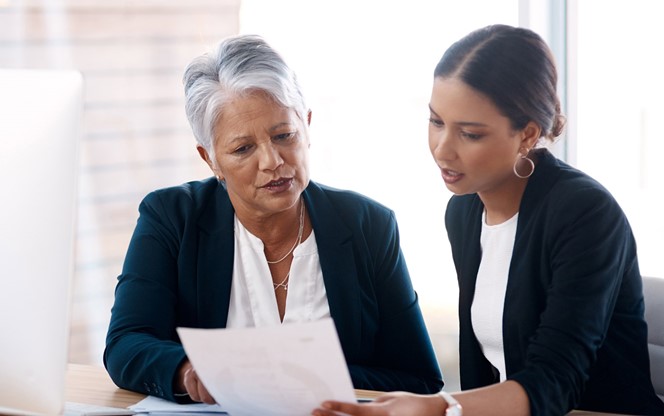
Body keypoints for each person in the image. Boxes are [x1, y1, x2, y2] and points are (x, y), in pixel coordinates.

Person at [313, 24, 664, 416]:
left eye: (470, 134)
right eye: (436, 122)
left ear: (527, 134)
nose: (443, 150)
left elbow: (555, 382)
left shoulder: (585, 214)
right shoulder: (464, 210)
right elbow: (483, 371)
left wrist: (437, 407)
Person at [103, 34, 443, 404]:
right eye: (243, 148)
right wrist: (187, 371)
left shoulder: (369, 225)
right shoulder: (171, 217)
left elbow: (418, 378)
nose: (273, 161)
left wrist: (303, 377)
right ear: (210, 158)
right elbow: (127, 342)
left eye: (284, 135)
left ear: (307, 125)